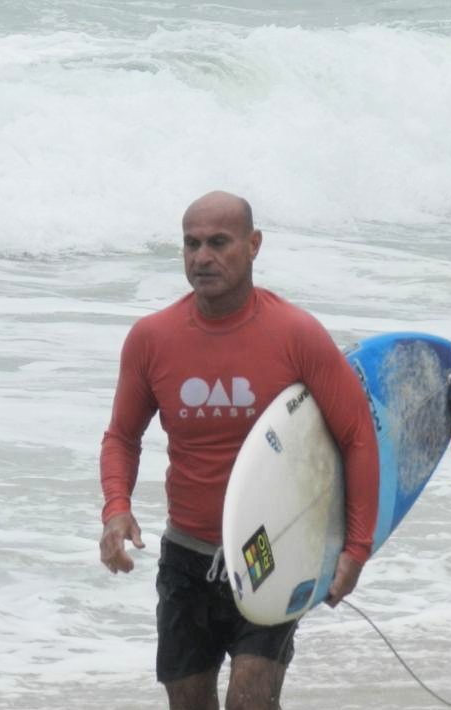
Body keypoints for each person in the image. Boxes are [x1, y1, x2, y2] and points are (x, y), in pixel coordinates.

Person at [99, 191, 379, 710]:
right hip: (186, 556)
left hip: (270, 551)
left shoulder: (295, 334)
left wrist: (356, 550)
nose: (202, 257)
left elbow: (357, 435)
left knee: (250, 699)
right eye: (191, 244)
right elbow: (121, 436)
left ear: (253, 245)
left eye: (218, 243)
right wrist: (117, 508)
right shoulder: (152, 338)